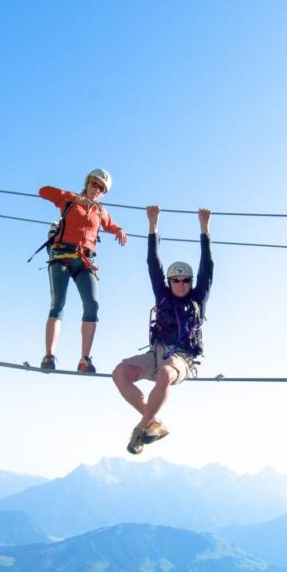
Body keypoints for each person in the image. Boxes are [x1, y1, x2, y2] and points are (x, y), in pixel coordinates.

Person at [112, 205, 213, 454]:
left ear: (192, 282)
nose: (181, 283)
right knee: (119, 373)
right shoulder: (163, 295)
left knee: (166, 374)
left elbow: (208, 266)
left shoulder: (198, 298)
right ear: (169, 282)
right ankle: (152, 423)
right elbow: (152, 263)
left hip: (182, 359)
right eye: (175, 280)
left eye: (186, 279)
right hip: (156, 354)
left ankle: (140, 428)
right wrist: (153, 223)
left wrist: (204, 228)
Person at [38, 168, 127, 373]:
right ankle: (49, 356)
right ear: (87, 183)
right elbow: (43, 191)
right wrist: (70, 197)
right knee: (57, 305)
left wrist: (119, 229)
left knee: (92, 307)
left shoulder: (100, 211)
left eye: (102, 188)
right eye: (94, 184)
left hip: (85, 261)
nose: (97, 190)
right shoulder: (69, 200)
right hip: (62, 256)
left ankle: (85, 359)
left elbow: (110, 225)